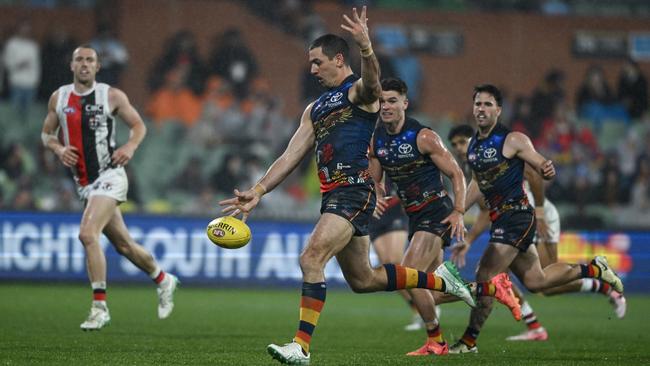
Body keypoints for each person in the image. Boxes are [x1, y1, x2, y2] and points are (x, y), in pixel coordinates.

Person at [219, 7, 475, 365]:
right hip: (333, 195)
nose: (312, 69)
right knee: (364, 279)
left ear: (339, 60)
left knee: (311, 257)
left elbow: (373, 82)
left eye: (317, 62)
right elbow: (291, 154)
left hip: (354, 190)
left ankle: (301, 346)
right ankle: (441, 282)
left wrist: (367, 48)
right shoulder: (314, 109)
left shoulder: (359, 93)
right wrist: (258, 190)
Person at [446, 84, 624, 354]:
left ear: (499, 110)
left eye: (487, 104)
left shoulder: (512, 139)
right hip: (502, 219)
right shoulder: (474, 148)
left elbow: (539, 163)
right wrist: (458, 209)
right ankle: (595, 269)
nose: (481, 109)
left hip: (517, 217)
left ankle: (469, 341)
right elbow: (477, 184)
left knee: (486, 273)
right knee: (537, 281)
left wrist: (546, 167)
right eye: (478, 104)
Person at [368, 77, 519, 356]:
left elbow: (457, 173)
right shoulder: (377, 140)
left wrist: (459, 211)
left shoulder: (423, 136)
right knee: (428, 289)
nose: (386, 106)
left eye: (392, 100)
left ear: (405, 103)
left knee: (407, 274)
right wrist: (376, 194)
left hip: (436, 212)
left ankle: (436, 340)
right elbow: (377, 180)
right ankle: (487, 290)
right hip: (415, 217)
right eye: (382, 101)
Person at [41, 45, 179, 331]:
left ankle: (99, 307)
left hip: (110, 176)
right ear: (72, 65)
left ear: (97, 66)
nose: (84, 64)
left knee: (87, 234)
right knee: (124, 245)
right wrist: (57, 148)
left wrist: (130, 145)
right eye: (79, 59)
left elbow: (139, 126)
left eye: (90, 60)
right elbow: (46, 133)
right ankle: (163, 278)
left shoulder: (111, 95)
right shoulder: (60, 97)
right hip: (85, 183)